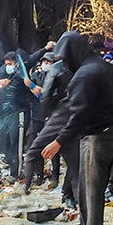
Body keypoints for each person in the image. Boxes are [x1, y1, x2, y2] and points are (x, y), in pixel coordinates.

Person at [41, 31, 113, 225]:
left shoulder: (83, 76)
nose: (64, 64)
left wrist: (58, 141)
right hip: (110, 131)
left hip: (95, 136)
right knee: (92, 191)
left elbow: (78, 116)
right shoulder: (103, 67)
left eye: (65, 58)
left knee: (89, 194)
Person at [23, 54, 74, 195]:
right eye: (44, 61)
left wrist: (34, 87)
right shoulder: (40, 74)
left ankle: (57, 184)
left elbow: (44, 95)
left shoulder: (57, 72)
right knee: (72, 161)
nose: (46, 63)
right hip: (48, 117)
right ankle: (65, 192)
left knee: (37, 152)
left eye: (49, 61)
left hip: (55, 118)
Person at [0, 51, 35, 179]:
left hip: (20, 112)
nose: (8, 66)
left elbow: (33, 57)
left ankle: (17, 172)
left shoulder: (22, 74)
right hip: (6, 114)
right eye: (6, 64)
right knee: (5, 141)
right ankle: (10, 166)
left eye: (10, 63)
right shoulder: (4, 73)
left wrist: (46, 48)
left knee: (16, 142)